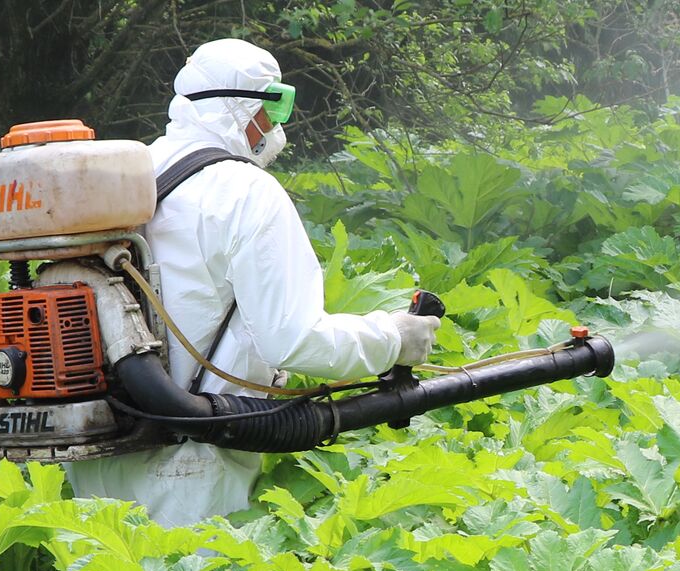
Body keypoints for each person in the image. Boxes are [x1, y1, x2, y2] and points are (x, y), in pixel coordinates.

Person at [65, 38, 440, 527]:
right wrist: (394, 338)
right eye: (275, 105)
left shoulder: (123, 175)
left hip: (97, 455)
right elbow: (294, 339)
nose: (277, 126)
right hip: (191, 463)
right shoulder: (243, 190)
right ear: (245, 108)